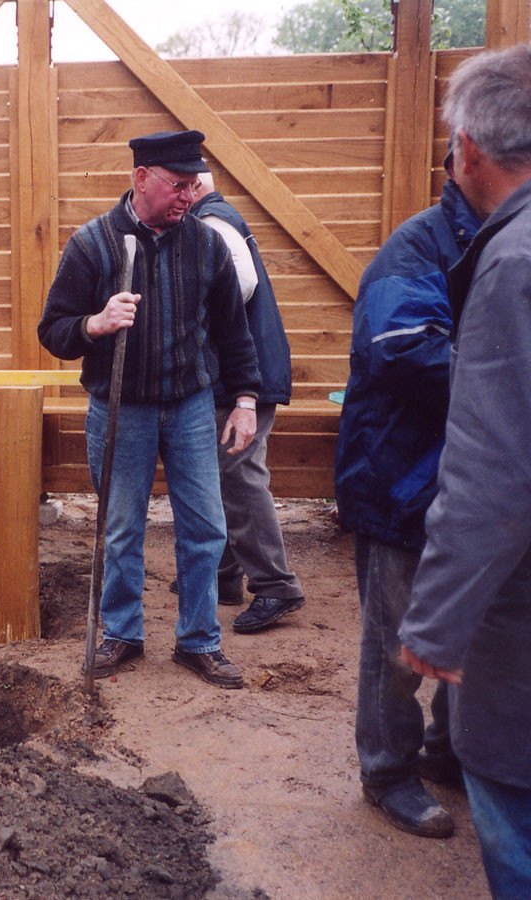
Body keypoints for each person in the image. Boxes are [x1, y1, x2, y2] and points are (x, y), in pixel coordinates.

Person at [38, 130, 261, 689]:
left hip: (189, 406)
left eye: (193, 185)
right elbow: (53, 331)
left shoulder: (207, 245)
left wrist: (245, 399)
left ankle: (199, 640)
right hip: (120, 408)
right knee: (120, 529)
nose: (189, 196)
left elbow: (235, 332)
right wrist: (94, 323)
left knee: (206, 527)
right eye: (177, 185)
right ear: (142, 179)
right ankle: (122, 633)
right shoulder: (92, 245)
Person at [398, 44, 531, 897]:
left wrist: (438, 623)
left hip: (519, 618)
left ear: (468, 149)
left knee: (512, 811)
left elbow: (493, 469)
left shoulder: (513, 265)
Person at [334, 145, 482, 838]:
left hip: (476, 478)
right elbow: (403, 348)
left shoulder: (505, 238)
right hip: (404, 477)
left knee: (479, 628)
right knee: (397, 642)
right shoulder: (416, 248)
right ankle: (388, 771)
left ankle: (450, 754)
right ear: (463, 162)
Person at [190, 173, 305, 633]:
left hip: (244, 377)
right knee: (223, 475)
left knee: (238, 477)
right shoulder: (217, 216)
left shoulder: (213, 223)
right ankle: (224, 576)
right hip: (246, 372)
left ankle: (276, 586)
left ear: (195, 187)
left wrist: (193, 318)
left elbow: (238, 286)